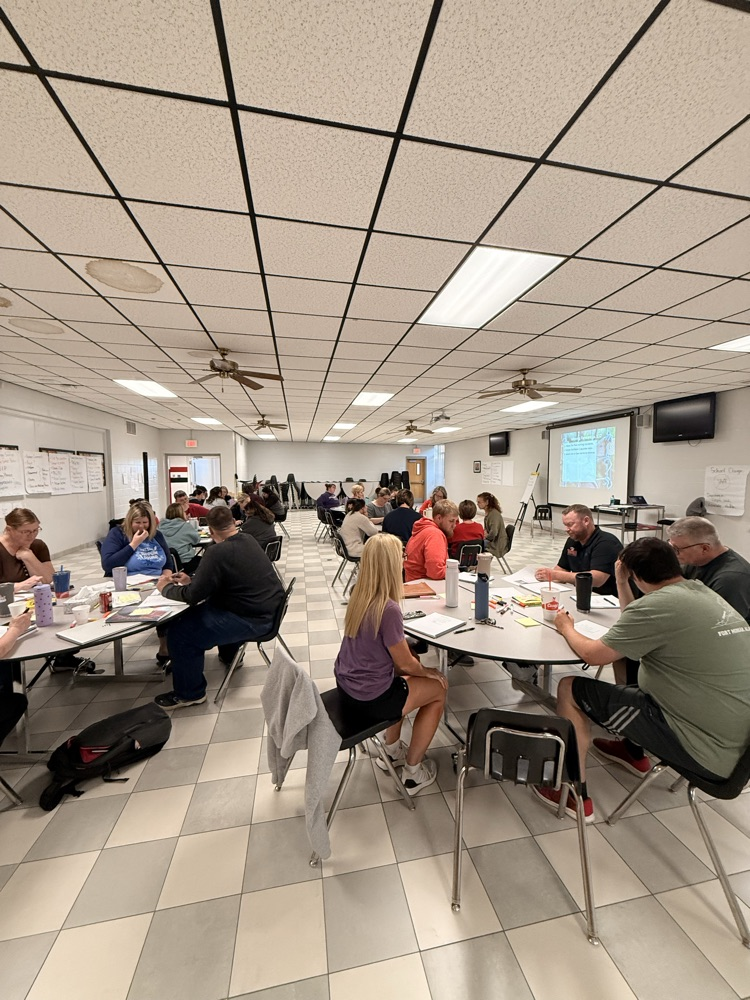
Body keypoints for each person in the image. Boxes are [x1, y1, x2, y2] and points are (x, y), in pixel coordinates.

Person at [533, 538, 750, 823]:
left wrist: (565, 626)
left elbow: (593, 654)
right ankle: (632, 749)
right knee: (624, 657)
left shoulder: (658, 606)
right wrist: (623, 583)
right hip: (736, 739)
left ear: (637, 576)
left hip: (703, 749)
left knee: (569, 687)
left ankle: (571, 791)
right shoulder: (699, 591)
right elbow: (633, 623)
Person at [334, 533, 448, 795]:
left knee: (410, 674)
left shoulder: (358, 594)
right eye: (402, 557)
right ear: (390, 564)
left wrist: (413, 663)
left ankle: (392, 749)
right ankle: (413, 773)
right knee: (439, 689)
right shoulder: (389, 609)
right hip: (371, 699)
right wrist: (430, 673)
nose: (404, 561)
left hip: (348, 689)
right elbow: (406, 664)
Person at [154, 506, 285, 708]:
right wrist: (193, 581)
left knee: (180, 632)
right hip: (267, 610)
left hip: (252, 619)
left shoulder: (217, 551)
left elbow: (192, 596)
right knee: (208, 609)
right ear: (233, 522)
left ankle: (190, 693)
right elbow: (225, 580)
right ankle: (230, 654)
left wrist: (165, 588)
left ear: (212, 531)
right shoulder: (248, 540)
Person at [667, 517, 750, 623]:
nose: (674, 554)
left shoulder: (731, 579)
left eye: (677, 549)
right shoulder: (695, 561)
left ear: (704, 548)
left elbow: (724, 624)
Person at [534, 503, 621, 596]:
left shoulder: (606, 543)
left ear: (586, 521)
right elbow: (562, 568)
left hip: (608, 598)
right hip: (582, 593)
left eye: (570, 524)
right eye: (565, 525)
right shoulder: (573, 541)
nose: (566, 529)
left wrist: (554, 575)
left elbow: (596, 579)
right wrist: (545, 575)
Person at [100, 502, 170, 577]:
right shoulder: (117, 533)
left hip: (157, 580)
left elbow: (168, 564)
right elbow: (107, 565)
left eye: (145, 522)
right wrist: (133, 544)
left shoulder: (157, 535)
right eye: (137, 522)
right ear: (130, 522)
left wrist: (166, 578)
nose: (141, 526)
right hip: (128, 581)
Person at [404, 499, 459, 582]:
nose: (454, 525)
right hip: (423, 585)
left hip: (413, 583)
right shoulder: (435, 534)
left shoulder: (424, 529)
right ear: (439, 518)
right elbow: (435, 571)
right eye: (451, 521)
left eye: (456, 521)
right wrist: (454, 571)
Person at [0, 507, 52, 592]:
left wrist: (29, 557)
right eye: (25, 532)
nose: (32, 536)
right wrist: (20, 586)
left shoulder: (38, 545)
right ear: (9, 530)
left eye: (35, 530)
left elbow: (48, 580)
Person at [158, 503, 202, 574]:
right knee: (204, 561)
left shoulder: (159, 527)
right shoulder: (186, 526)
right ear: (181, 513)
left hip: (166, 565)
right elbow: (196, 540)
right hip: (185, 563)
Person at [475, 493, 507, 563]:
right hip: (494, 540)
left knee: (477, 544)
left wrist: (485, 538)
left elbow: (494, 532)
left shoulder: (493, 514)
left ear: (486, 502)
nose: (477, 504)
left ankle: (478, 564)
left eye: (479, 502)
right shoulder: (490, 513)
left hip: (497, 543)